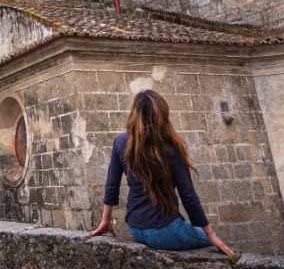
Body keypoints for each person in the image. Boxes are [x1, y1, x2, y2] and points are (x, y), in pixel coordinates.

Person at [87, 89, 235, 256]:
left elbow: (112, 184)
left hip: (135, 228)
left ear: (134, 113)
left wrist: (105, 220)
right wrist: (210, 235)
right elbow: (188, 196)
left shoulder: (121, 141)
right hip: (165, 231)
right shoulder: (170, 147)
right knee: (214, 238)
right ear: (162, 115)